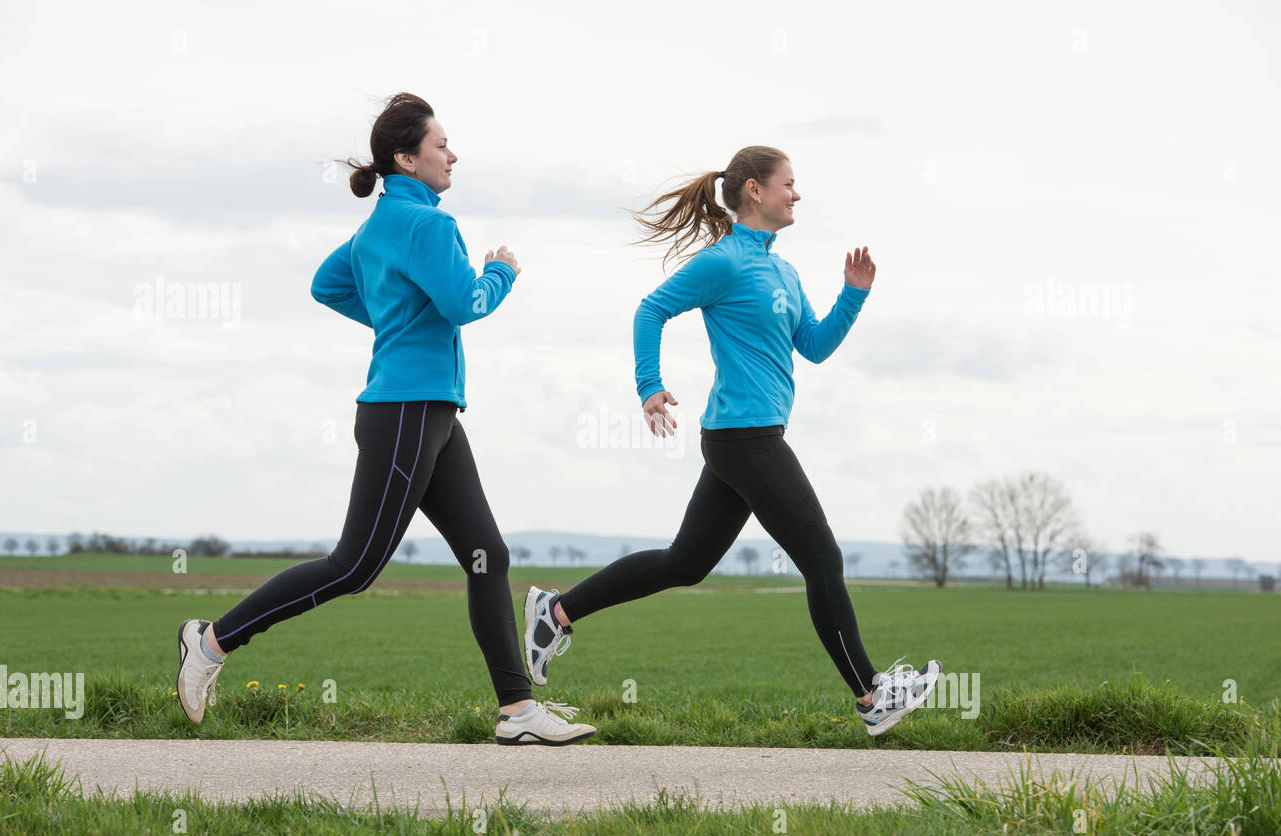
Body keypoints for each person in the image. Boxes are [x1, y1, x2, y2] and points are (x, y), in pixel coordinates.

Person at [174, 92, 594, 746]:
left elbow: (328, 283)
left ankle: (517, 710)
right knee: (354, 566)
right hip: (404, 411)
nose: (453, 154)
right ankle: (210, 641)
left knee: (488, 554)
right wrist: (501, 272)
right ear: (406, 156)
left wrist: (396, 317)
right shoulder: (429, 225)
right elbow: (463, 303)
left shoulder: (379, 226)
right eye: (441, 145)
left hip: (432, 414)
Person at [523, 146, 940, 736]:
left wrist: (853, 293)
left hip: (743, 438)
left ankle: (555, 612)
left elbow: (814, 346)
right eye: (789, 184)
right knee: (823, 559)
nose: (796, 195)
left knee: (684, 563)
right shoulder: (724, 263)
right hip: (745, 439)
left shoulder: (784, 271)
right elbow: (651, 310)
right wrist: (650, 386)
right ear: (753, 190)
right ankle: (873, 696)